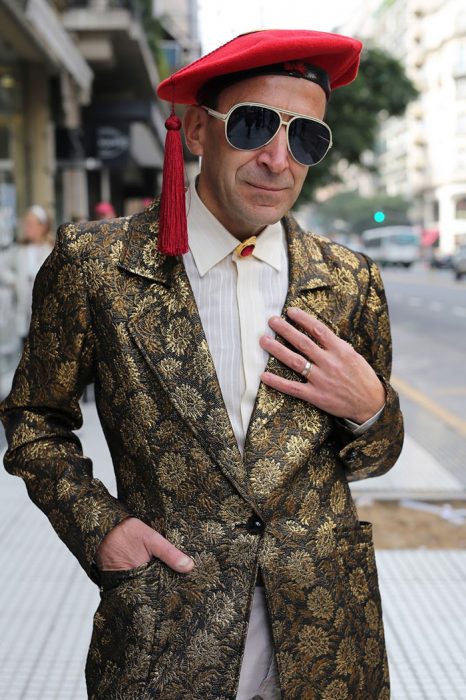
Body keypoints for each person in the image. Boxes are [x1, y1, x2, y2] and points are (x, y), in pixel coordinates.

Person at [0, 29, 404, 699]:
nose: (278, 159)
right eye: (252, 127)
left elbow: (372, 459)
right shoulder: (96, 267)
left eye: (305, 138)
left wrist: (372, 412)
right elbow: (34, 420)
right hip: (169, 634)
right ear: (195, 130)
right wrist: (102, 531)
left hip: (327, 641)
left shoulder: (349, 280)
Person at [0, 204, 53, 345]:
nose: (26, 227)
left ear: (42, 226)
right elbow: (3, 269)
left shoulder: (51, 250)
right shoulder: (19, 251)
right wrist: (15, 281)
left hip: (46, 315)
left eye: (30, 224)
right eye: (25, 224)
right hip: (23, 315)